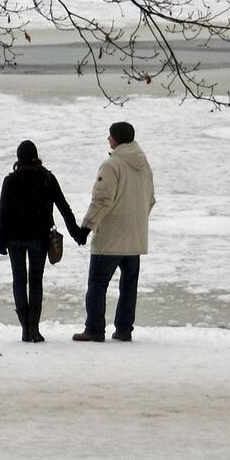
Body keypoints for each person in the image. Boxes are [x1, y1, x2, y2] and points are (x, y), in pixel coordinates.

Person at [0, 140, 83, 344]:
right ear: (36, 156)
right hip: (39, 239)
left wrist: (0, 240)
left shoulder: (11, 181)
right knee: (35, 281)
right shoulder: (47, 178)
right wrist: (77, 234)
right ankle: (34, 328)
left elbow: (3, 213)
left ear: (18, 158)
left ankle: (26, 329)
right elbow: (64, 207)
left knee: (19, 281)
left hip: (14, 239)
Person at [74, 123, 154, 343]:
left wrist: (85, 228)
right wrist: (137, 222)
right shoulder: (144, 165)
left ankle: (94, 329)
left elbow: (102, 199)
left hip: (111, 237)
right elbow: (151, 199)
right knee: (129, 287)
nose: (108, 138)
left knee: (97, 286)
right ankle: (124, 329)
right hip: (136, 237)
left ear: (117, 139)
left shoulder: (112, 165)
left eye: (110, 135)